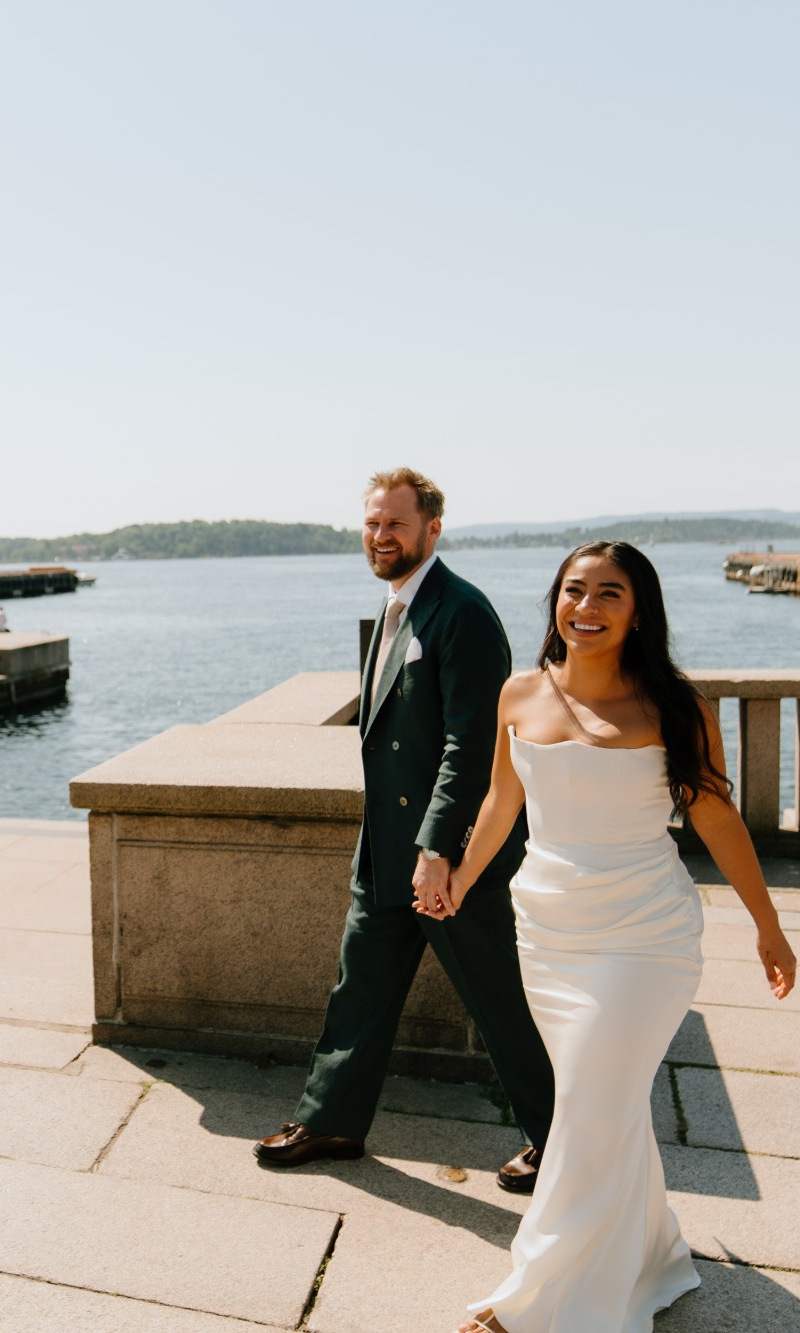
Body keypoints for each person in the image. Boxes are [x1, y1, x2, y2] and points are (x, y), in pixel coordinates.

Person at [442, 541, 796, 1333]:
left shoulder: (676, 706)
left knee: (591, 1104)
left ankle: (532, 1299)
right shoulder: (519, 693)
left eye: (610, 593)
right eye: (574, 591)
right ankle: (648, 1255)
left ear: (639, 612)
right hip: (549, 928)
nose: (587, 607)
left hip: (646, 933)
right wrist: (462, 877)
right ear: (556, 602)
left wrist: (767, 926)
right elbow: (503, 802)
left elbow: (716, 815)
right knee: (599, 1102)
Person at [256, 468, 556, 1197]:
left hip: (449, 857)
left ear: (432, 529)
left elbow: (472, 744)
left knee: (500, 1002)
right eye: (371, 523)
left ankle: (561, 1141)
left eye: (395, 522)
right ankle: (331, 1119)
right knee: (358, 987)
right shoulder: (396, 608)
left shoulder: (462, 613)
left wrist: (436, 850)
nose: (381, 535)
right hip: (386, 852)